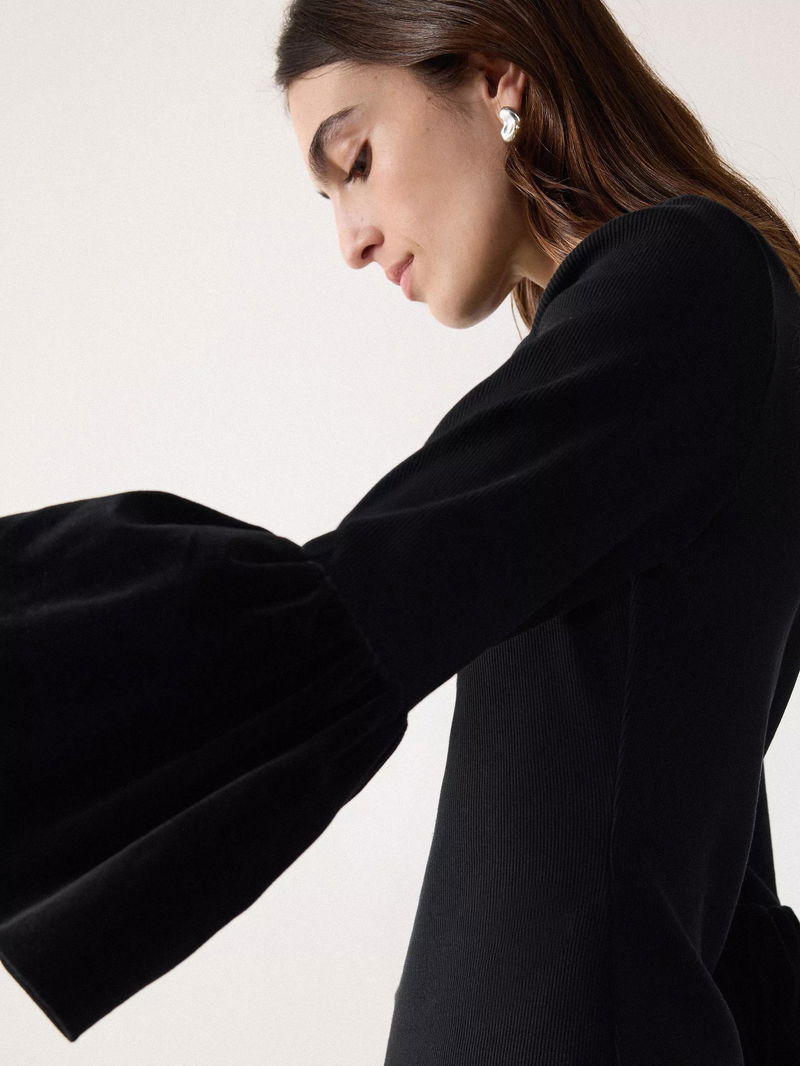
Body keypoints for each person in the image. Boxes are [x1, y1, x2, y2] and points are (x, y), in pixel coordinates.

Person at [2, 1, 800, 1062]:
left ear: (496, 75)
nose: (351, 238)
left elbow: (359, 598)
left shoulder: (683, 279)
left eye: (358, 161)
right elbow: (715, 849)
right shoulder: (690, 318)